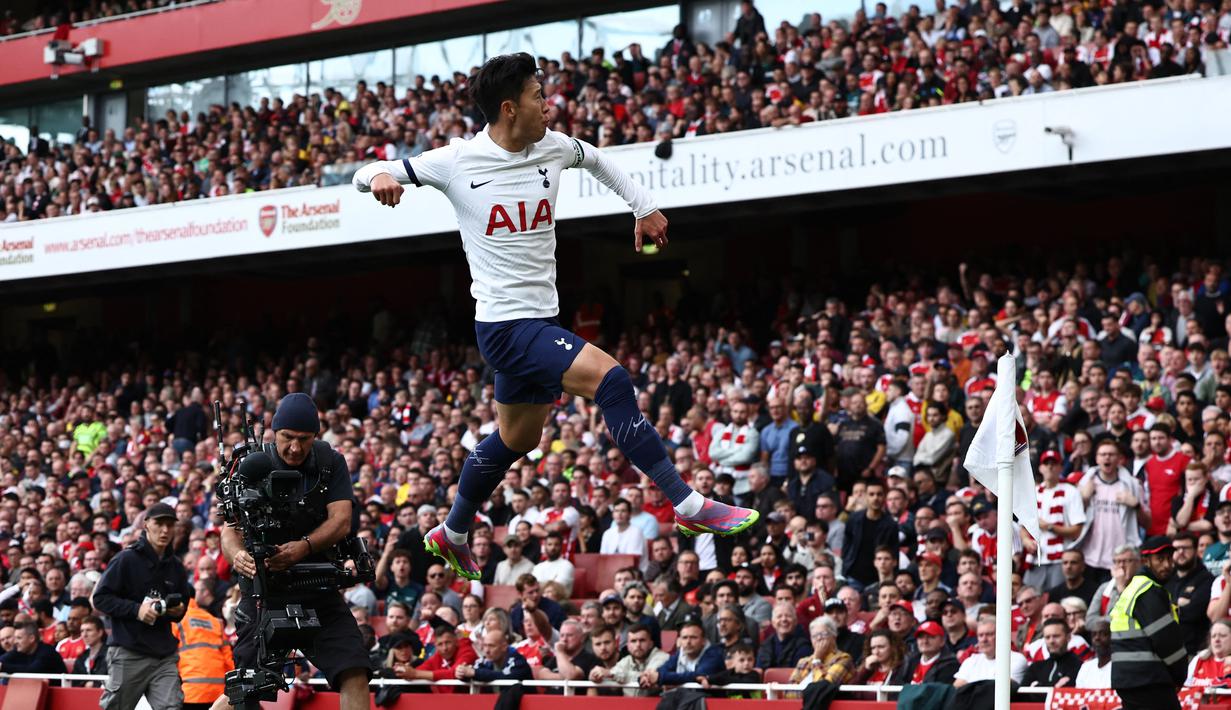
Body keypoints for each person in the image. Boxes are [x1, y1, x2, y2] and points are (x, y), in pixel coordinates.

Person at [354, 52, 759, 581]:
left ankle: (452, 531)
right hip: (506, 327)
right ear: (509, 108)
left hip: (542, 321)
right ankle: (687, 505)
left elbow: (599, 160)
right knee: (613, 381)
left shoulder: (553, 146)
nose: (549, 104)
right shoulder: (457, 161)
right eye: (538, 96)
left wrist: (643, 207)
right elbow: (364, 174)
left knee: (518, 440)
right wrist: (381, 175)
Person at [213, 393, 371, 710]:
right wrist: (238, 556)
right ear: (274, 432)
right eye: (287, 437)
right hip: (265, 593)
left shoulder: (330, 462)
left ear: (316, 436)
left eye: (304, 439)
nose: (295, 448)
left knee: (354, 671)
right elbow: (229, 529)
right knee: (246, 688)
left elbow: (341, 520)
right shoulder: (251, 463)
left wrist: (303, 547)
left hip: (318, 588)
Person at [92, 502, 193, 710]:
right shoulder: (125, 559)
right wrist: (136, 610)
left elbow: (182, 606)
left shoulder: (176, 566)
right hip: (129, 651)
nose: (164, 530)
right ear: (146, 524)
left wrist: (177, 611)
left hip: (164, 655)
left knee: (172, 708)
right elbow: (100, 598)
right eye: (159, 523)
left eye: (169, 525)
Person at [1109, 535, 1187, 710]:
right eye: (1160, 559)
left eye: (1169, 558)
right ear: (1146, 561)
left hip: (1131, 679)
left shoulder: (1135, 588)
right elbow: (1166, 640)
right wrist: (1180, 674)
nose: (1167, 565)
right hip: (1148, 679)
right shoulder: (1147, 590)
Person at [173, 584, 234, 710]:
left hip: (190, 692)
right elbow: (229, 659)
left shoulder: (175, 620)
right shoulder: (214, 621)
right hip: (218, 694)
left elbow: (168, 656)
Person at [592, 623, 669, 697]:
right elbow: (613, 676)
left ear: (651, 644)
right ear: (628, 646)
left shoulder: (662, 657)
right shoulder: (626, 660)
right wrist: (596, 676)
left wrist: (612, 674)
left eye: (642, 640)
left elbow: (647, 677)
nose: (638, 645)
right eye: (633, 641)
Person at [640, 620, 723, 688]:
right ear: (679, 640)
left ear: (703, 641)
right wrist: (647, 677)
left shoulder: (714, 654)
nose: (688, 642)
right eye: (684, 638)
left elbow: (698, 675)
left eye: (693, 637)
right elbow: (661, 670)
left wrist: (661, 677)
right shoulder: (680, 654)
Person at [953, 619, 1028, 686]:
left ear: (1001, 636)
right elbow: (957, 687)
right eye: (980, 635)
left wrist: (970, 686)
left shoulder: (1016, 659)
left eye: (989, 634)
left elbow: (1002, 687)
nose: (984, 639)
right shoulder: (970, 661)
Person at [789, 616, 855, 686]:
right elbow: (789, 690)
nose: (819, 638)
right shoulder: (803, 662)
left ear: (834, 636)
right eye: (814, 636)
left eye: (823, 634)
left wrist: (817, 661)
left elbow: (824, 688)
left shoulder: (843, 659)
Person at [456, 629, 533, 683]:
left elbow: (507, 677)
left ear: (504, 647)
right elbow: (473, 672)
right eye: (485, 645)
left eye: (491, 646)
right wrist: (462, 673)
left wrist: (475, 673)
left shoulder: (518, 661)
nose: (487, 651)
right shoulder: (484, 661)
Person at [1022, 618, 1083, 687]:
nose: (1051, 641)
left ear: (1068, 637)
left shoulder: (1078, 666)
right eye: (1047, 637)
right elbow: (1021, 691)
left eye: (1056, 636)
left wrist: (1037, 686)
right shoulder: (1035, 667)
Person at [757, 602, 810, 669]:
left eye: (788, 616)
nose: (784, 619)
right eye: (779, 616)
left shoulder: (804, 647)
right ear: (773, 622)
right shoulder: (765, 646)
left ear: (795, 621)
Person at [1186, 619, 1231, 687]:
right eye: (1213, 636)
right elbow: (1185, 685)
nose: (1217, 640)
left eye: (1222, 635)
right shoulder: (1199, 659)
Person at [72, 615, 109, 687]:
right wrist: (85, 684)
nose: (84, 635)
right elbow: (74, 682)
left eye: (89, 630)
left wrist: (93, 684)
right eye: (82, 631)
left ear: (100, 632)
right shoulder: (81, 657)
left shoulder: (110, 654)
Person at [1075, 619, 1112, 688]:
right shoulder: (1086, 667)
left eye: (1103, 634)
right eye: (1094, 635)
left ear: (1112, 637)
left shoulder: (1118, 667)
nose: (1097, 638)